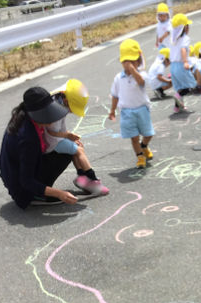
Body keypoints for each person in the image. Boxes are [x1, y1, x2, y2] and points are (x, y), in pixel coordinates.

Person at [0, 87, 79, 208]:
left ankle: (40, 189)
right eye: (47, 116)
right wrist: (59, 194)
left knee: (66, 152)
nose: (51, 121)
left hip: (16, 172)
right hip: (20, 187)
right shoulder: (28, 138)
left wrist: (67, 136)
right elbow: (26, 181)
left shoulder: (24, 114)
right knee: (64, 154)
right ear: (38, 115)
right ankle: (34, 195)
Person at [47, 79, 109, 195]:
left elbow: (61, 127)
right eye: (72, 107)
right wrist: (67, 135)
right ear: (66, 100)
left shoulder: (59, 102)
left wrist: (69, 136)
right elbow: (51, 132)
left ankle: (82, 177)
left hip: (55, 139)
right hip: (51, 142)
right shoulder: (55, 109)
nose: (72, 111)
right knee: (79, 151)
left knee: (74, 148)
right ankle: (93, 180)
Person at [108, 39, 154, 169]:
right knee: (134, 137)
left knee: (148, 133)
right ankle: (139, 156)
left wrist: (133, 70)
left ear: (139, 60)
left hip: (142, 109)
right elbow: (115, 95)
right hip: (127, 111)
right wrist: (112, 110)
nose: (128, 65)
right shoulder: (118, 78)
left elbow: (141, 82)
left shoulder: (142, 74)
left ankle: (144, 145)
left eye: (132, 61)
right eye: (125, 62)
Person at [170, 13, 197, 113]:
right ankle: (178, 96)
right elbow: (183, 50)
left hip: (173, 66)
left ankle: (177, 107)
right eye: (187, 26)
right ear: (184, 28)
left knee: (180, 87)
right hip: (181, 65)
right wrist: (186, 62)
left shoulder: (173, 39)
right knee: (190, 85)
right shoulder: (185, 39)